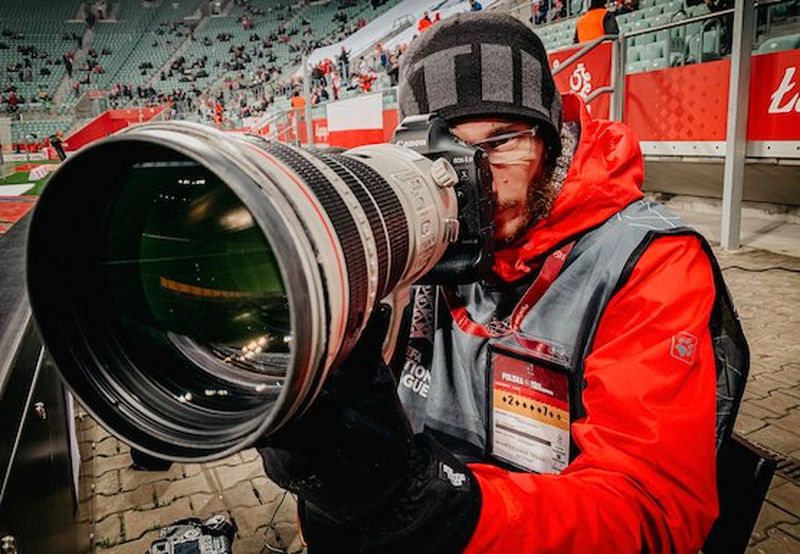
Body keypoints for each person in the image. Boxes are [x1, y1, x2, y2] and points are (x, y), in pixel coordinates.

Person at [259, 13, 748, 553]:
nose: (475, 179)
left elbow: (652, 511)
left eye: (500, 143)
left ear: (552, 138)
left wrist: (443, 507)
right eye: (445, 155)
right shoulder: (420, 237)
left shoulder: (647, 260)